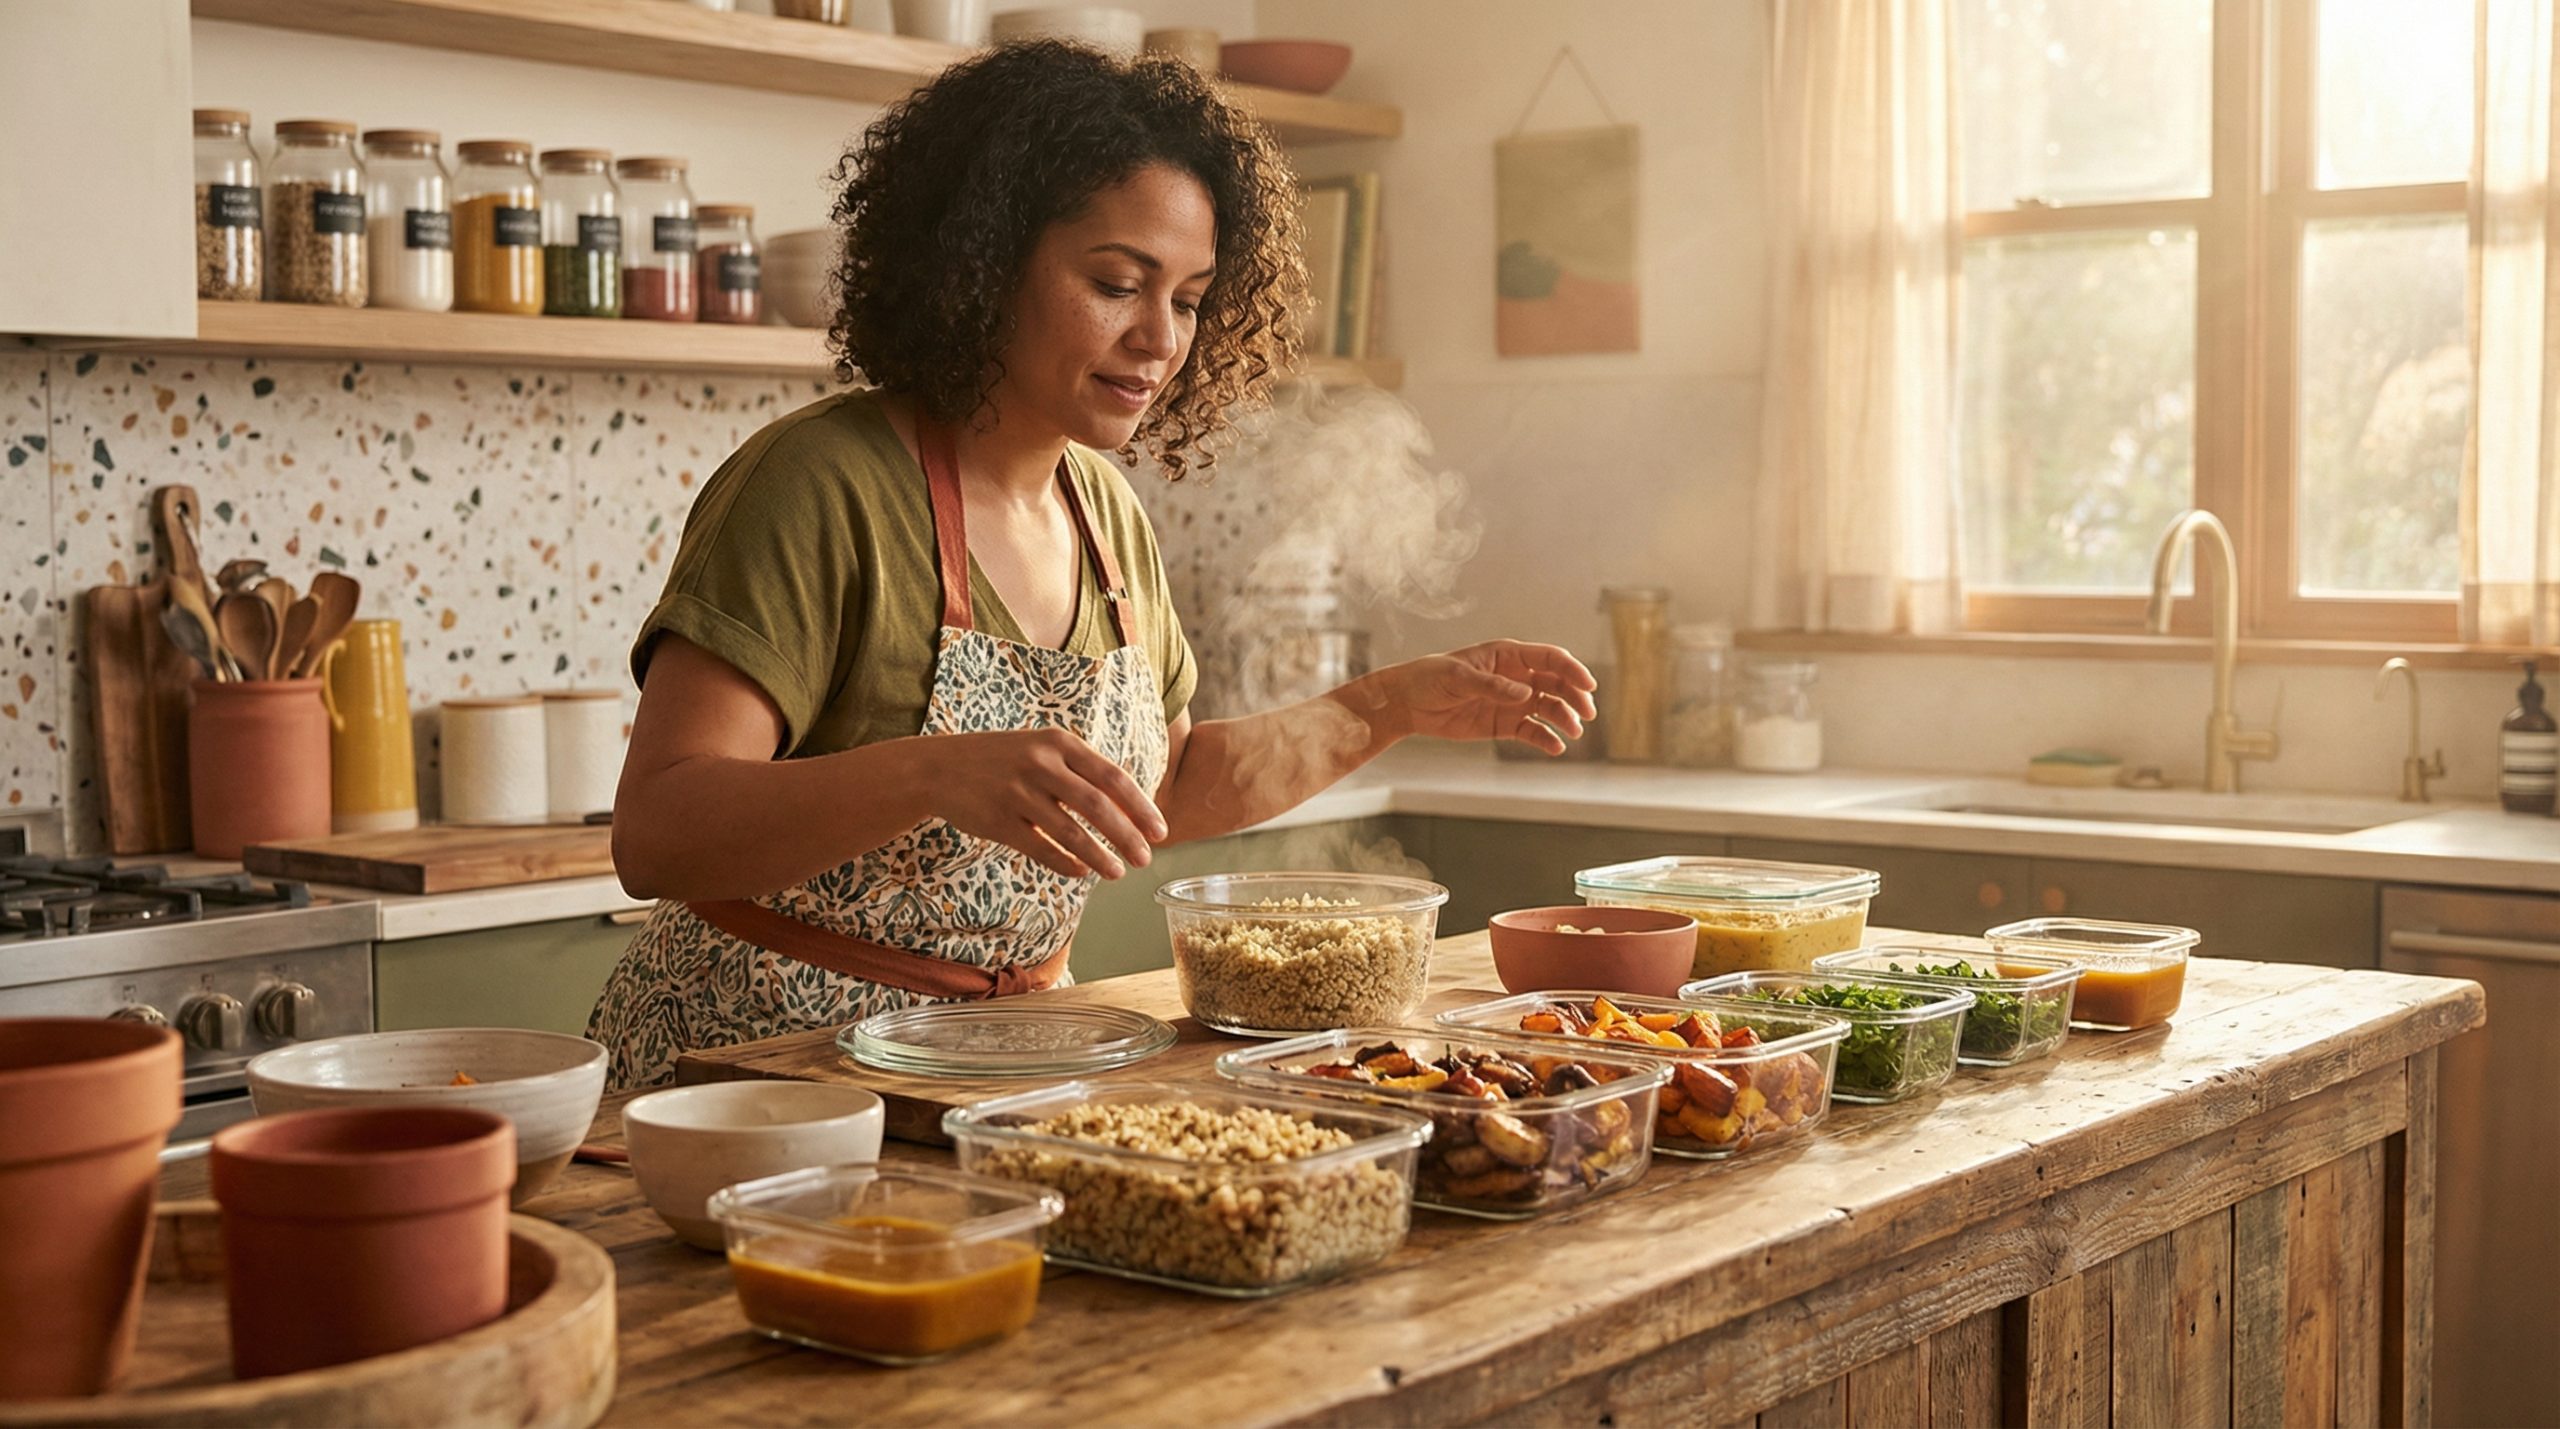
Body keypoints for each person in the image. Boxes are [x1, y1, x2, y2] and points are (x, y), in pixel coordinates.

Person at [588, 42, 1596, 1089]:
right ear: (979, 261)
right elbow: (659, 831)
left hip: (989, 1066)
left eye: (1192, 298)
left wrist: (1387, 705)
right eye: (1117, 283)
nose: (1160, 338)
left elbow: (1161, 785)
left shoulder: (1103, 510)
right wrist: (935, 771)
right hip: (755, 1075)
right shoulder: (819, 484)